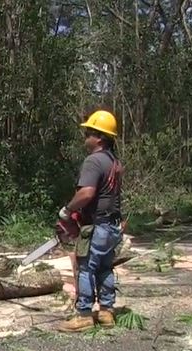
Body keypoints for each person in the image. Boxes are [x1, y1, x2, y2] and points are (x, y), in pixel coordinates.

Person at [58, 110, 124, 332]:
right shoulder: (113, 161)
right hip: (112, 225)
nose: (86, 135)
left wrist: (68, 210)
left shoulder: (94, 161)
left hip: (97, 226)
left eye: (90, 132)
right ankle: (106, 312)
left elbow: (86, 193)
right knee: (104, 268)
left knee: (86, 269)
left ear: (100, 137)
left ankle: (84, 314)